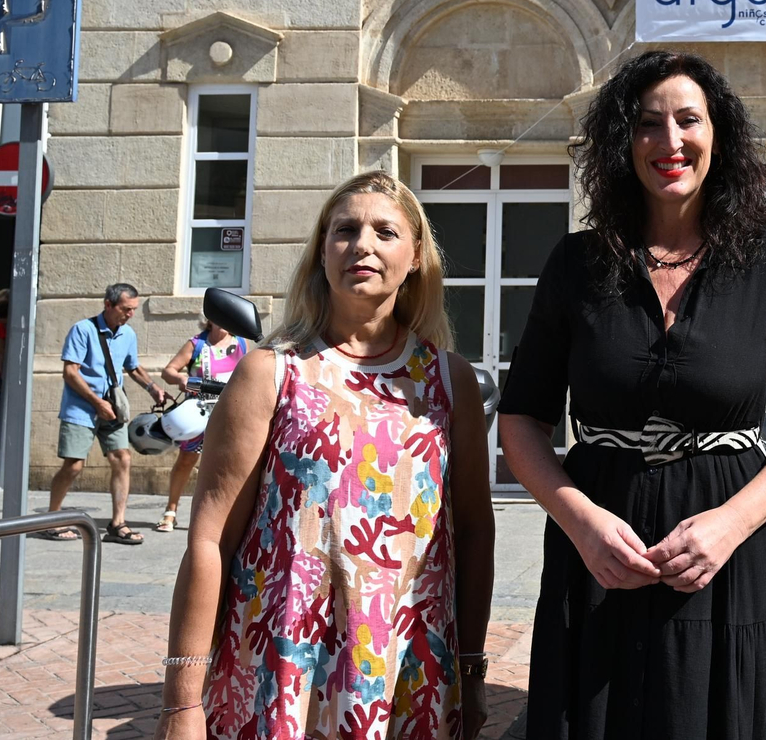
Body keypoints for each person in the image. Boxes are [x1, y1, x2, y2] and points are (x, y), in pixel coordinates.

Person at [499, 51, 766, 740]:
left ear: (720, 136)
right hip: (600, 552)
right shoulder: (577, 264)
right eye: (649, 124)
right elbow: (522, 420)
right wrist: (581, 524)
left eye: (689, 120)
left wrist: (732, 524)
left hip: (733, 558)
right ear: (623, 142)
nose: (670, 141)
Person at [153, 171, 495, 740]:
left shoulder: (448, 381)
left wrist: (472, 669)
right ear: (322, 253)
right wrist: (181, 703)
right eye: (345, 230)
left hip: (407, 671)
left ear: (415, 258)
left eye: (385, 231)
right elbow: (210, 538)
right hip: (278, 666)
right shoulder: (270, 372)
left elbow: (476, 532)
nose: (362, 244)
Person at [45, 283, 167, 545]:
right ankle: (51, 520)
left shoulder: (128, 334)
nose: (130, 314)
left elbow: (133, 368)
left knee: (122, 457)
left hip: (112, 408)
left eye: (133, 309)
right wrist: (95, 401)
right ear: (108, 305)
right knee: (74, 465)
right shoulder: (83, 330)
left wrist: (153, 388)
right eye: (126, 309)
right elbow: (70, 372)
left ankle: (118, 523)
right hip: (81, 408)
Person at [153, 319, 249, 533]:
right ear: (210, 319)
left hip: (227, 412)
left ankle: (222, 517)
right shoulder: (197, 344)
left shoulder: (241, 344)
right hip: (198, 412)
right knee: (186, 460)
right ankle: (170, 511)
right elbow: (168, 371)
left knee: (229, 464)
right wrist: (180, 378)